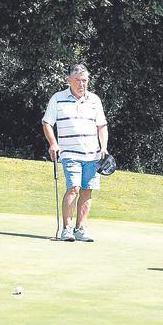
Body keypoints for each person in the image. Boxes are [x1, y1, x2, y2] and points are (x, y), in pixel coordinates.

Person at [42, 64, 109, 242]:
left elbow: (102, 126)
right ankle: (67, 229)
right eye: (78, 80)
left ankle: (81, 229)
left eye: (85, 80)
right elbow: (47, 123)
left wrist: (103, 147)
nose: (82, 84)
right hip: (69, 153)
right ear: (69, 81)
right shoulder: (57, 98)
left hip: (93, 155)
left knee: (87, 191)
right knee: (74, 188)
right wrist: (53, 143)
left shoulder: (95, 100)